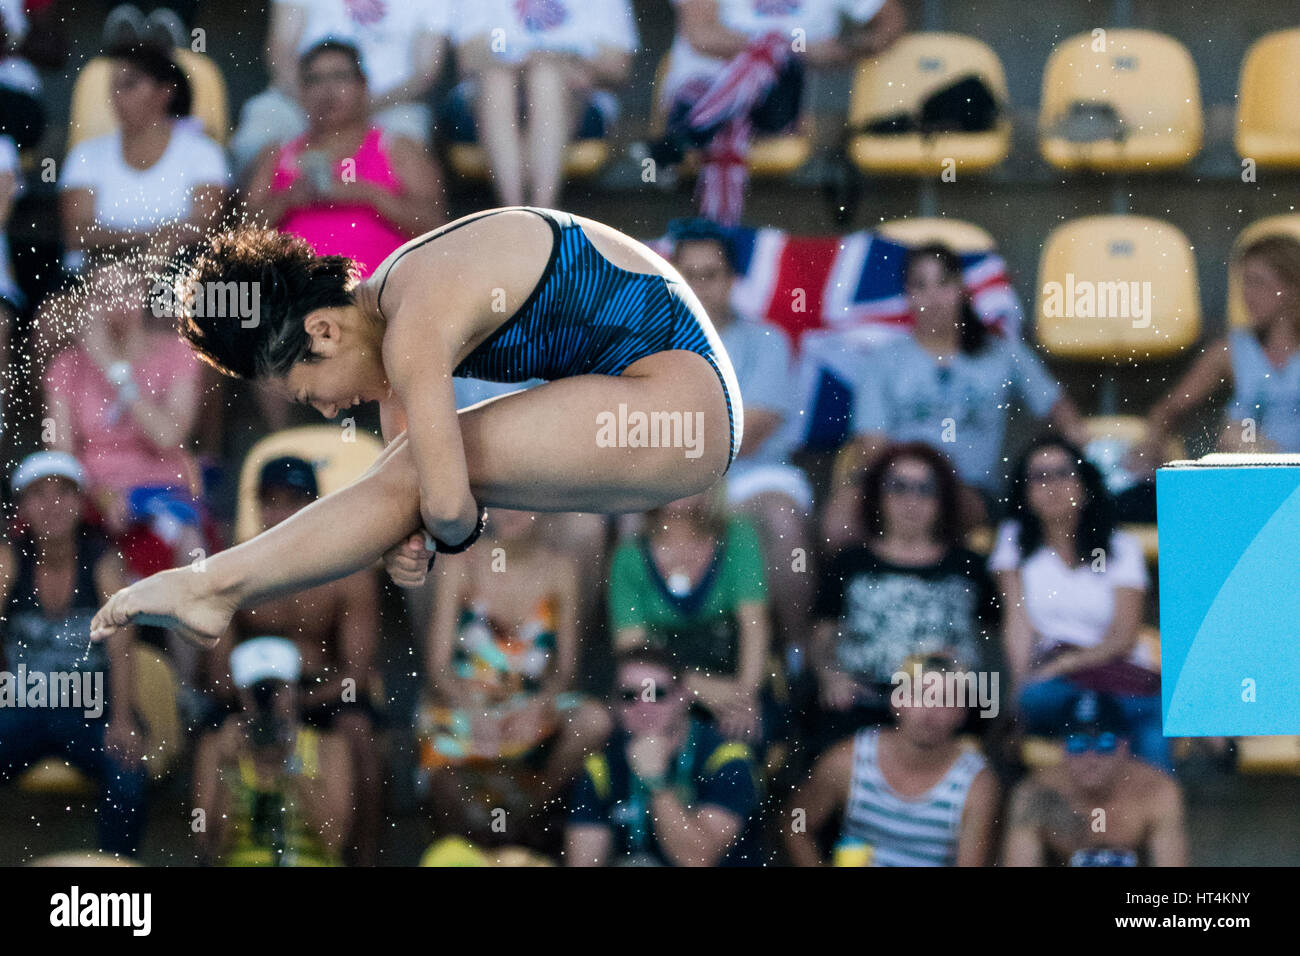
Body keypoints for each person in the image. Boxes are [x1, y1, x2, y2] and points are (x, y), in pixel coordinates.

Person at [90, 207, 743, 650]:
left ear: (322, 330)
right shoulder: (393, 307)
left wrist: (441, 523)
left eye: (309, 393)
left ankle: (213, 585)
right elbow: (420, 500)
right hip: (661, 396)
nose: (323, 410)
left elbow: (450, 505)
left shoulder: (414, 323)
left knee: (406, 475)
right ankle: (215, 585)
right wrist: (424, 529)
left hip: (683, 407)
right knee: (402, 473)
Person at [824, 243, 1087, 549]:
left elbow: (1061, 413)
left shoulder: (1002, 353)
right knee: (838, 522)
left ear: (961, 288)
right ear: (906, 294)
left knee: (940, 512)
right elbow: (872, 447)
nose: (933, 297)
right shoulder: (883, 360)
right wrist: (909, 487)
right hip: (897, 487)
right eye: (920, 285)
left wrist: (1077, 462)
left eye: (943, 283)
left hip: (971, 490)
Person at [203, 455, 383, 865]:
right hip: (253, 690)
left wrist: (298, 705)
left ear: (316, 505)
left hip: (321, 691)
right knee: (214, 738)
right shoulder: (233, 569)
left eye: (295, 500)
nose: (282, 512)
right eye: (273, 500)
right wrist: (255, 706)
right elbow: (217, 674)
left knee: (361, 739)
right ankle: (212, 854)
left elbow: (357, 674)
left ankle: (365, 860)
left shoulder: (349, 570)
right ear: (258, 506)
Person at [667, 217, 812, 656]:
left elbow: (747, 436)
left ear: (732, 280)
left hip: (752, 475)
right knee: (623, 518)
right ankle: (645, 669)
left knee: (782, 522)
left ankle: (796, 658)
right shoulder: (647, 340)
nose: (697, 285)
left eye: (709, 275)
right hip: (670, 479)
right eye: (686, 275)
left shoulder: (768, 340)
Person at [421, 507, 611, 834]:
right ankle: (481, 834)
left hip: (528, 706)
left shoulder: (560, 569)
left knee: (595, 720)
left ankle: (525, 811)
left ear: (545, 511)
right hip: (465, 704)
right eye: (501, 502)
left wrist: (541, 704)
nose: (509, 512)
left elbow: (566, 671)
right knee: (445, 774)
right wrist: (473, 709)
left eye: (521, 504)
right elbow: (437, 667)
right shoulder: (460, 563)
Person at [0, 452, 147, 858]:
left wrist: (121, 719)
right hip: (23, 703)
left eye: (64, 494)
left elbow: (122, 644)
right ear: (23, 507)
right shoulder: (9, 557)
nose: (52, 505)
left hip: (91, 706)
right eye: (39, 495)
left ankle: (113, 875)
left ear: (81, 503)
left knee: (129, 772)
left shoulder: (102, 561)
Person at [992, 437, 1165, 769]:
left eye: (1063, 474)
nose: (1053, 485)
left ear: (1085, 485)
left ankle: (1150, 817)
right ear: (1025, 493)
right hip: (1052, 683)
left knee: (1152, 725)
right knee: (1036, 701)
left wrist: (1068, 665)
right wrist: (1019, 689)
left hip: (1111, 674)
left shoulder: (1120, 546)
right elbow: (1018, 625)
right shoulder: (1013, 541)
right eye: (1039, 477)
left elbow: (1123, 637)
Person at [811, 443, 998, 748]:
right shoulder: (849, 562)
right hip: (864, 700)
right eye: (898, 487)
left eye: (926, 488)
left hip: (947, 703)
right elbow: (822, 637)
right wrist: (830, 675)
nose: (912, 500)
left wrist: (973, 679)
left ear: (943, 499)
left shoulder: (968, 565)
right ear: (877, 495)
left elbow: (993, 643)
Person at [651, 0, 904, 223]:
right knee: (730, 127)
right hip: (700, 91)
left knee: (774, 44)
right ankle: (719, 242)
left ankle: (686, 136)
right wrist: (784, 45)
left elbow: (891, 20)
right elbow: (702, 36)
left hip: (774, 103)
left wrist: (845, 48)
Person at [246, 40, 447, 277]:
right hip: (294, 297)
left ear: (363, 87)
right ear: (301, 92)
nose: (327, 90)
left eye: (340, 77)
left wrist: (369, 195)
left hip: (377, 299)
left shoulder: (396, 149)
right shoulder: (276, 155)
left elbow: (437, 227)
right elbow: (240, 235)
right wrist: (287, 200)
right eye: (314, 80)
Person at [785, 653, 999, 866]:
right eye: (920, 695)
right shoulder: (850, 758)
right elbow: (795, 822)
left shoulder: (977, 784)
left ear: (962, 713)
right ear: (896, 701)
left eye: (945, 700)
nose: (930, 710)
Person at [565, 648, 760, 866]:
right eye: (629, 696)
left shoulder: (727, 759)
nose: (644, 707)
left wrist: (656, 781)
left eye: (656, 694)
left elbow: (697, 859)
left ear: (683, 696)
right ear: (615, 704)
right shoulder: (603, 764)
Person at [608, 487, 769, 740]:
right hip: (662, 689)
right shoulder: (628, 557)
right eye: (672, 473)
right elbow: (631, 647)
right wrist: (698, 687)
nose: (680, 483)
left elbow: (755, 625)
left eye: (690, 471)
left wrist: (744, 699)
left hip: (734, 677)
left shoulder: (738, 535)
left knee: (750, 738)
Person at [446, 0, 636, 208]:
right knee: (499, 80)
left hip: (577, 100)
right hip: (494, 95)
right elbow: (467, 57)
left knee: (545, 78)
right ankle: (521, 215)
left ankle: (536, 213)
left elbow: (618, 66)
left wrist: (558, 64)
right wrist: (526, 64)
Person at [59, 41, 227, 272]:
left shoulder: (204, 154)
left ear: (165, 92)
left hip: (174, 282)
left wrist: (119, 243)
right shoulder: (85, 155)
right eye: (113, 86)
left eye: (129, 84)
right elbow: (76, 235)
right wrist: (158, 238)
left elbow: (205, 229)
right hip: (92, 281)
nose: (116, 96)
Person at [1135, 233, 1300, 466]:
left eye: (1258, 282)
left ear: (1292, 286)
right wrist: (1152, 448)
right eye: (1244, 283)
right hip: (1253, 469)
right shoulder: (1230, 351)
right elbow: (1169, 410)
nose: (1247, 294)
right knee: (1236, 433)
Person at [230, 0, 449, 173]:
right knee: (254, 140)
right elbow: (280, 53)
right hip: (299, 96)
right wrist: (313, 102)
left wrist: (356, 108)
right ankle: (254, 227)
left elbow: (425, 74)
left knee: (410, 145)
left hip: (391, 104)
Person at [193, 637, 352, 866]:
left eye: (276, 689)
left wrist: (290, 762)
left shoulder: (329, 747)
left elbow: (335, 841)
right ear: (241, 694)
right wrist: (227, 773)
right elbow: (208, 849)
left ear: (295, 689)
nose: (268, 700)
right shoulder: (217, 746)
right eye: (258, 691)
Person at [1003, 690, 1187, 866]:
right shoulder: (1035, 794)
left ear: (1125, 746)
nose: (1091, 759)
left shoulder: (1156, 792)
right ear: (1061, 748)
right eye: (1077, 744)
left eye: (1105, 743)